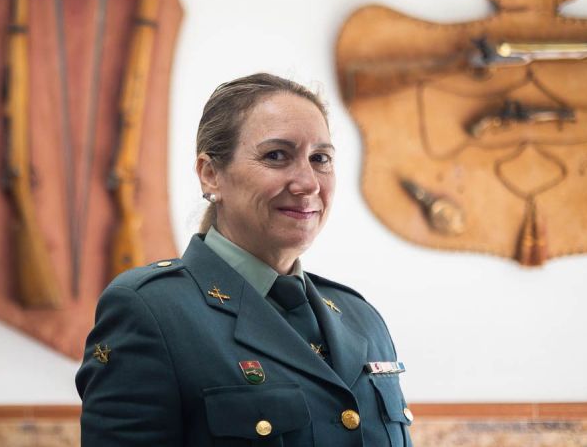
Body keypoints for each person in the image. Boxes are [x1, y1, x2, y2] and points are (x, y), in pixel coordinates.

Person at [76, 72, 413, 446]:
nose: (308, 183)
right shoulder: (151, 310)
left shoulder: (360, 318)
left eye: (320, 158)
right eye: (276, 156)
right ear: (211, 175)